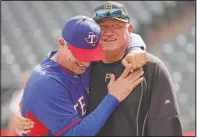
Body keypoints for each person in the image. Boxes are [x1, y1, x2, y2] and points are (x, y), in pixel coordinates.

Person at [17, 15, 145, 136]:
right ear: (62, 43)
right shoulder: (46, 83)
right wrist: (114, 96)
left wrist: (136, 49)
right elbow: (77, 134)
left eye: (90, 55)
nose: (86, 63)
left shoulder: (76, 61)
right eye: (81, 54)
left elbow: (128, 36)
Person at [86, 1, 183, 136]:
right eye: (102, 27)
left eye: (116, 26)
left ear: (129, 29)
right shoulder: (82, 67)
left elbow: (166, 126)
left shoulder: (152, 67)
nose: (108, 33)